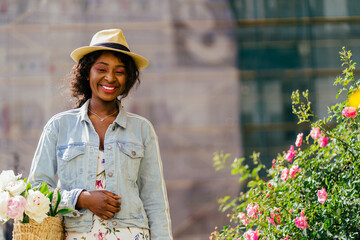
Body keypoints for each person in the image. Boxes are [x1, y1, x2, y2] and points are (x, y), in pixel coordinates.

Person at [28, 29, 173, 240]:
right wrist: (81, 199)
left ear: (128, 78)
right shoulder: (59, 126)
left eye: (120, 71)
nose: (110, 77)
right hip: (77, 234)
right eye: (102, 69)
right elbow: (35, 193)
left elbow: (155, 200)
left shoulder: (142, 129)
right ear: (87, 73)